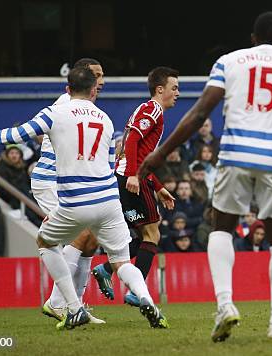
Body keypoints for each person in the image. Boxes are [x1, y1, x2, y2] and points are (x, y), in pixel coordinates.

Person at [137, 11, 272, 341]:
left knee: (221, 229)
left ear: (252, 38)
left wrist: (158, 155)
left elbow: (199, 114)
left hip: (235, 156)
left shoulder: (229, 62)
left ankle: (225, 304)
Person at [0, 66, 168, 330]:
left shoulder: (55, 113)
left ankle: (72, 307)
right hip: (108, 199)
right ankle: (148, 301)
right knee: (121, 262)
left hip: (77, 200)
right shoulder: (105, 119)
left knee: (45, 241)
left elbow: (16, 135)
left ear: (68, 89)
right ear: (93, 90)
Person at [0, 58, 106, 323]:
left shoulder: (89, 109)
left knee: (90, 240)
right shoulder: (63, 106)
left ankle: (72, 304)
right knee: (79, 236)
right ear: (82, 79)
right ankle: (64, 305)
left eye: (102, 76)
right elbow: (23, 132)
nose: (102, 82)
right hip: (50, 182)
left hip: (69, 183)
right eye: (97, 76)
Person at [93, 66, 178, 307]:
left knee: (143, 236)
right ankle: (135, 290)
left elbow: (140, 154)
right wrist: (133, 176)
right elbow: (131, 140)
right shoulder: (152, 108)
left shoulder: (151, 110)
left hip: (130, 179)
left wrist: (158, 187)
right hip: (132, 180)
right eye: (174, 88)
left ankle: (106, 268)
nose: (178, 93)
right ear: (160, 89)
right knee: (153, 234)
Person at [0, 144, 30, 209]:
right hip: (11, 200)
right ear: (7, 155)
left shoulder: (22, 168)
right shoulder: (1, 169)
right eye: (12, 153)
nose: (14, 155)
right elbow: (0, 188)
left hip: (24, 198)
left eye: (17, 153)